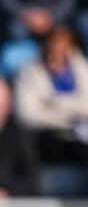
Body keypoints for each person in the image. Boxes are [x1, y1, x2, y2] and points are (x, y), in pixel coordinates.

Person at [15, 26, 88, 167]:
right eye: (50, 50)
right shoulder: (28, 72)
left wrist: (56, 102)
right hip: (46, 136)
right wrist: (71, 119)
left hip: (81, 136)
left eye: (61, 51)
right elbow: (26, 115)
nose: (55, 56)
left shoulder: (81, 68)